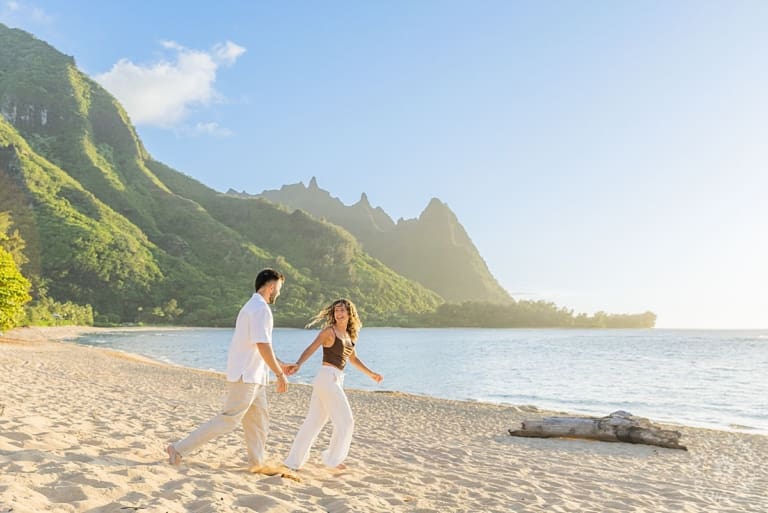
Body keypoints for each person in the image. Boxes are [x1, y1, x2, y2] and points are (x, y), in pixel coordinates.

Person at [166, 269, 296, 473]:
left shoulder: (252, 306)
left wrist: (280, 365)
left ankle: (257, 463)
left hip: (254, 375)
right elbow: (262, 345)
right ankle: (178, 449)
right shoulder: (260, 309)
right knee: (228, 420)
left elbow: (259, 345)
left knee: (258, 421)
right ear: (272, 287)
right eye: (279, 288)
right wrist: (279, 374)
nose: (279, 293)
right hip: (247, 376)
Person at [284, 298, 382, 471]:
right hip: (327, 378)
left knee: (313, 423)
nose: (339, 313)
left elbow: (353, 359)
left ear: (350, 313)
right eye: (336, 310)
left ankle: (293, 462)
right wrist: (298, 363)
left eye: (342, 310)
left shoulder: (349, 336)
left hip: (334, 379)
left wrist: (371, 374)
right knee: (346, 421)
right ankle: (333, 459)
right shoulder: (329, 332)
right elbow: (312, 347)